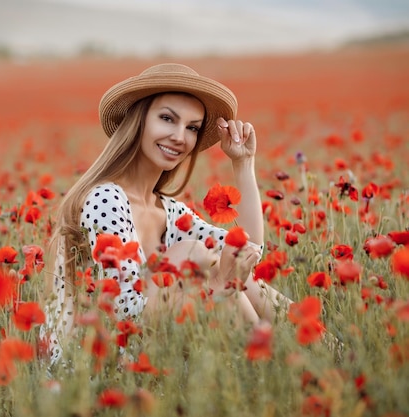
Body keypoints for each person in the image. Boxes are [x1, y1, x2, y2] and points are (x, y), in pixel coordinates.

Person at [40, 63, 292, 365]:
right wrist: (219, 285)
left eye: (192, 127)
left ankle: (306, 352)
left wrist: (244, 164)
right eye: (167, 119)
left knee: (230, 272)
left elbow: (249, 253)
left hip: (152, 349)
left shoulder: (169, 212)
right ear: (139, 121)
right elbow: (124, 312)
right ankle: (283, 363)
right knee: (200, 259)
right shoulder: (106, 197)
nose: (179, 136)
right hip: (93, 365)